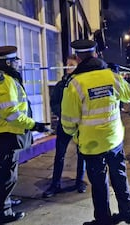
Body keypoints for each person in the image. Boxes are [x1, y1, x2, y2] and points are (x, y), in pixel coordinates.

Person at [61, 39, 130, 225]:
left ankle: (103, 220)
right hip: (114, 140)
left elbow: (69, 121)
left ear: (78, 58)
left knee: (99, 183)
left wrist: (74, 135)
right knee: (119, 175)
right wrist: (117, 76)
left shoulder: (75, 84)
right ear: (95, 54)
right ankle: (127, 213)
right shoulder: (111, 77)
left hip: (91, 144)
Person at [0, 45, 48, 224]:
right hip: (4, 135)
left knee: (0, 175)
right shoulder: (4, 81)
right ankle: (2, 214)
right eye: (15, 61)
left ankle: (2, 202)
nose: (17, 65)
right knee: (6, 176)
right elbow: (11, 114)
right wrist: (35, 125)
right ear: (8, 62)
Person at [42, 55, 87, 198]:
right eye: (67, 64)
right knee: (59, 155)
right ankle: (55, 184)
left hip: (80, 125)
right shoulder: (61, 84)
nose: (68, 67)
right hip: (64, 124)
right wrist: (63, 113)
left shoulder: (82, 83)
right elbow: (54, 102)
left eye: (71, 64)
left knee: (82, 154)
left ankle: (80, 181)